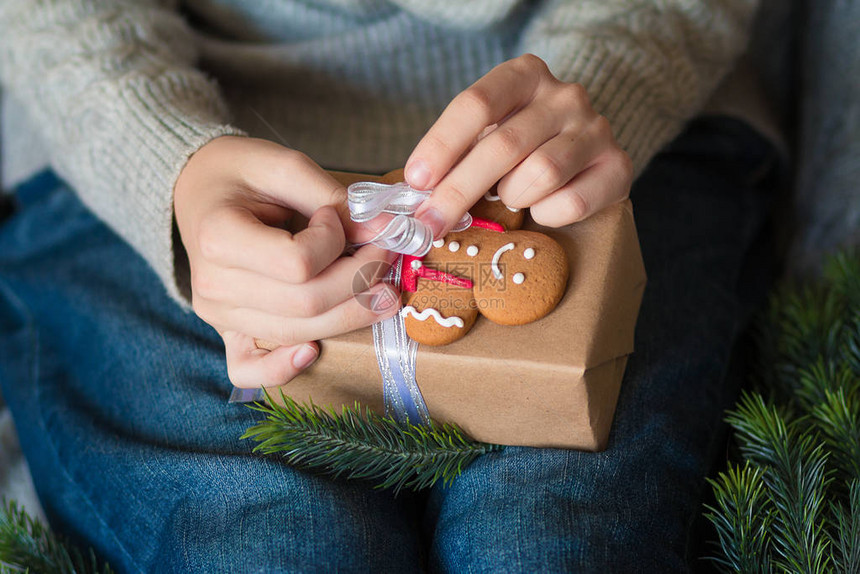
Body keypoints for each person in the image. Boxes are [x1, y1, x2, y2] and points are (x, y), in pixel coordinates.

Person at [0, 0, 783, 571]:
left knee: (549, 546)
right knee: (276, 545)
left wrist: (602, 84)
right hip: (150, 146)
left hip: (593, 142)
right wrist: (161, 158)